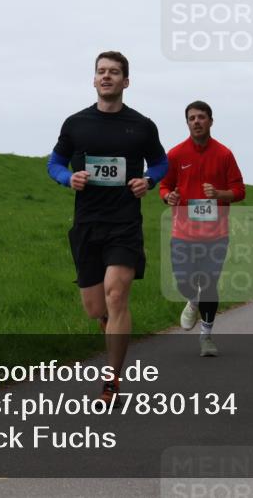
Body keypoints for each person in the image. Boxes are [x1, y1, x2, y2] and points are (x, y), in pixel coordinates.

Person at [47, 51, 168, 402]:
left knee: (117, 294)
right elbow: (54, 162)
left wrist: (149, 180)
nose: (107, 77)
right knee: (95, 308)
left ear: (125, 81)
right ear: (94, 79)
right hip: (87, 223)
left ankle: (112, 382)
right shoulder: (76, 124)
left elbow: (160, 163)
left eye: (114, 72)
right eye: (101, 71)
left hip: (124, 223)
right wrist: (68, 178)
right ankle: (109, 327)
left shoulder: (142, 126)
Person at [159, 101, 245, 358]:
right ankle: (192, 299)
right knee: (185, 282)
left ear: (210, 121)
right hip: (182, 233)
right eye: (191, 118)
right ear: (187, 122)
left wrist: (219, 194)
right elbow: (164, 186)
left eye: (201, 117)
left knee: (209, 284)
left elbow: (240, 191)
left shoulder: (224, 154)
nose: (196, 121)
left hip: (215, 234)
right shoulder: (175, 154)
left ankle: (206, 336)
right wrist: (168, 197)